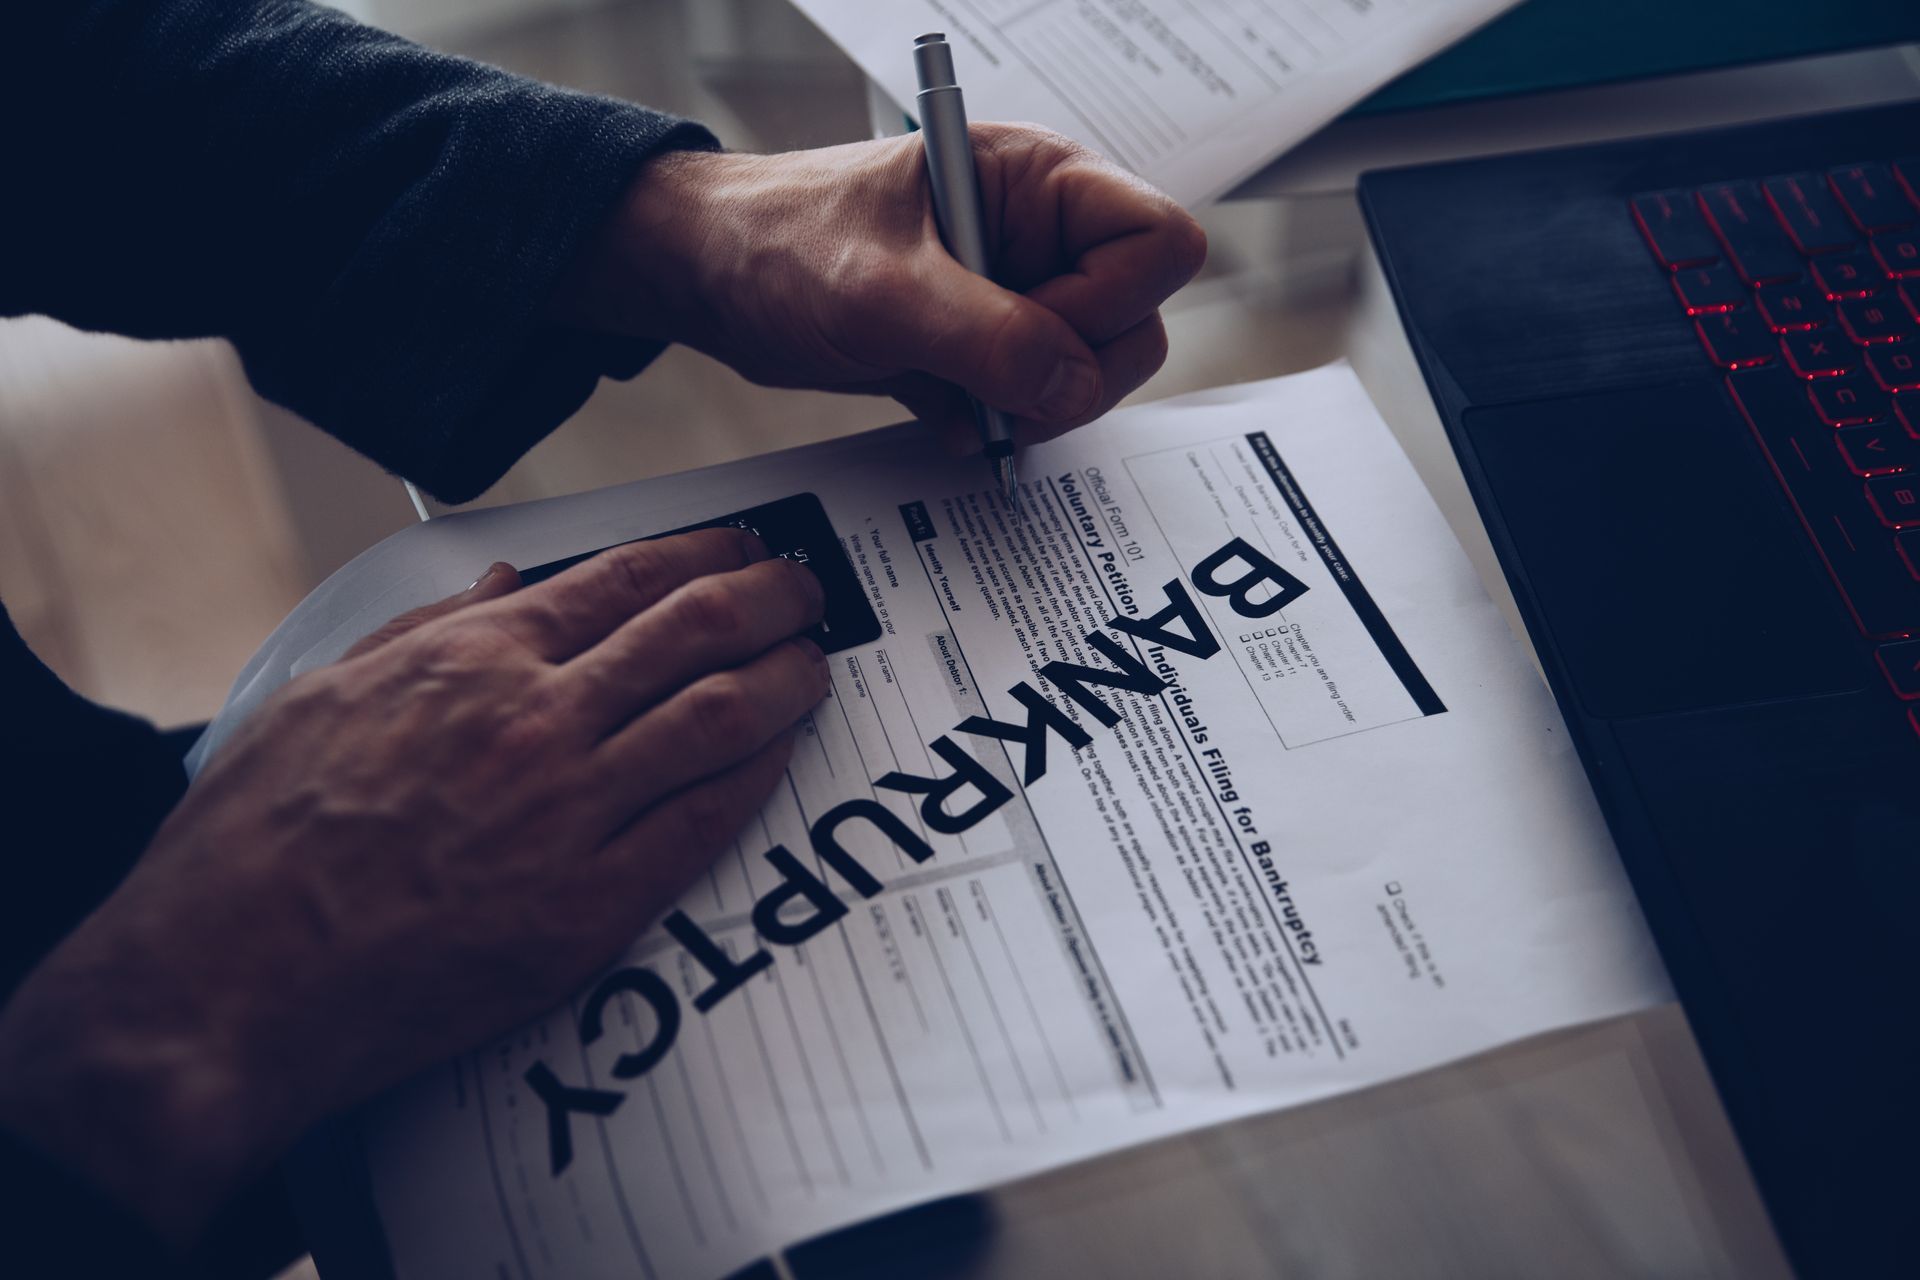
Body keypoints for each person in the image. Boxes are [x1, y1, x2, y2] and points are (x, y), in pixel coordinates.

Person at [0, 2, 1205, 1273]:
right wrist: (176, 1005)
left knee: (738, 868)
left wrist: (678, 219)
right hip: (101, 1063)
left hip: (75, 832)